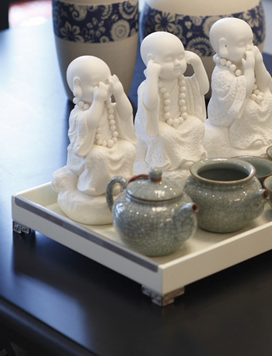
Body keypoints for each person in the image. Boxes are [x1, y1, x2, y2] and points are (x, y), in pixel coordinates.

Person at [52, 55, 137, 224]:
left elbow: (126, 114)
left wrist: (119, 94)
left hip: (111, 145)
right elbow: (91, 122)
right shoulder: (78, 113)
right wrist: (97, 100)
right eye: (96, 85)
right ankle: (95, 188)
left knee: (128, 148)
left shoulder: (108, 106)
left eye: (106, 82)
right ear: (78, 86)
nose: (103, 88)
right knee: (99, 155)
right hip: (86, 155)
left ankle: (121, 184)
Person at [134, 31, 209, 180]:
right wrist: (152, 75)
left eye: (180, 57)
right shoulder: (147, 86)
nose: (177, 63)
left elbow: (204, 89)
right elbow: (150, 103)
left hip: (181, 120)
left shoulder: (182, 81)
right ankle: (169, 164)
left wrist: (197, 64)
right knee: (164, 136)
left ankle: (191, 159)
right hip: (158, 125)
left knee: (196, 125)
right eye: (169, 59)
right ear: (151, 61)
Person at [205, 17, 272, 156]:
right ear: (224, 46)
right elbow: (241, 95)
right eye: (242, 44)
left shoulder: (245, 63)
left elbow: (265, 86)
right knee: (248, 108)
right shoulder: (221, 73)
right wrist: (249, 69)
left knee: (268, 98)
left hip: (248, 100)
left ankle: (265, 134)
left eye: (251, 42)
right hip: (227, 112)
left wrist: (259, 64)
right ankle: (248, 139)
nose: (249, 48)